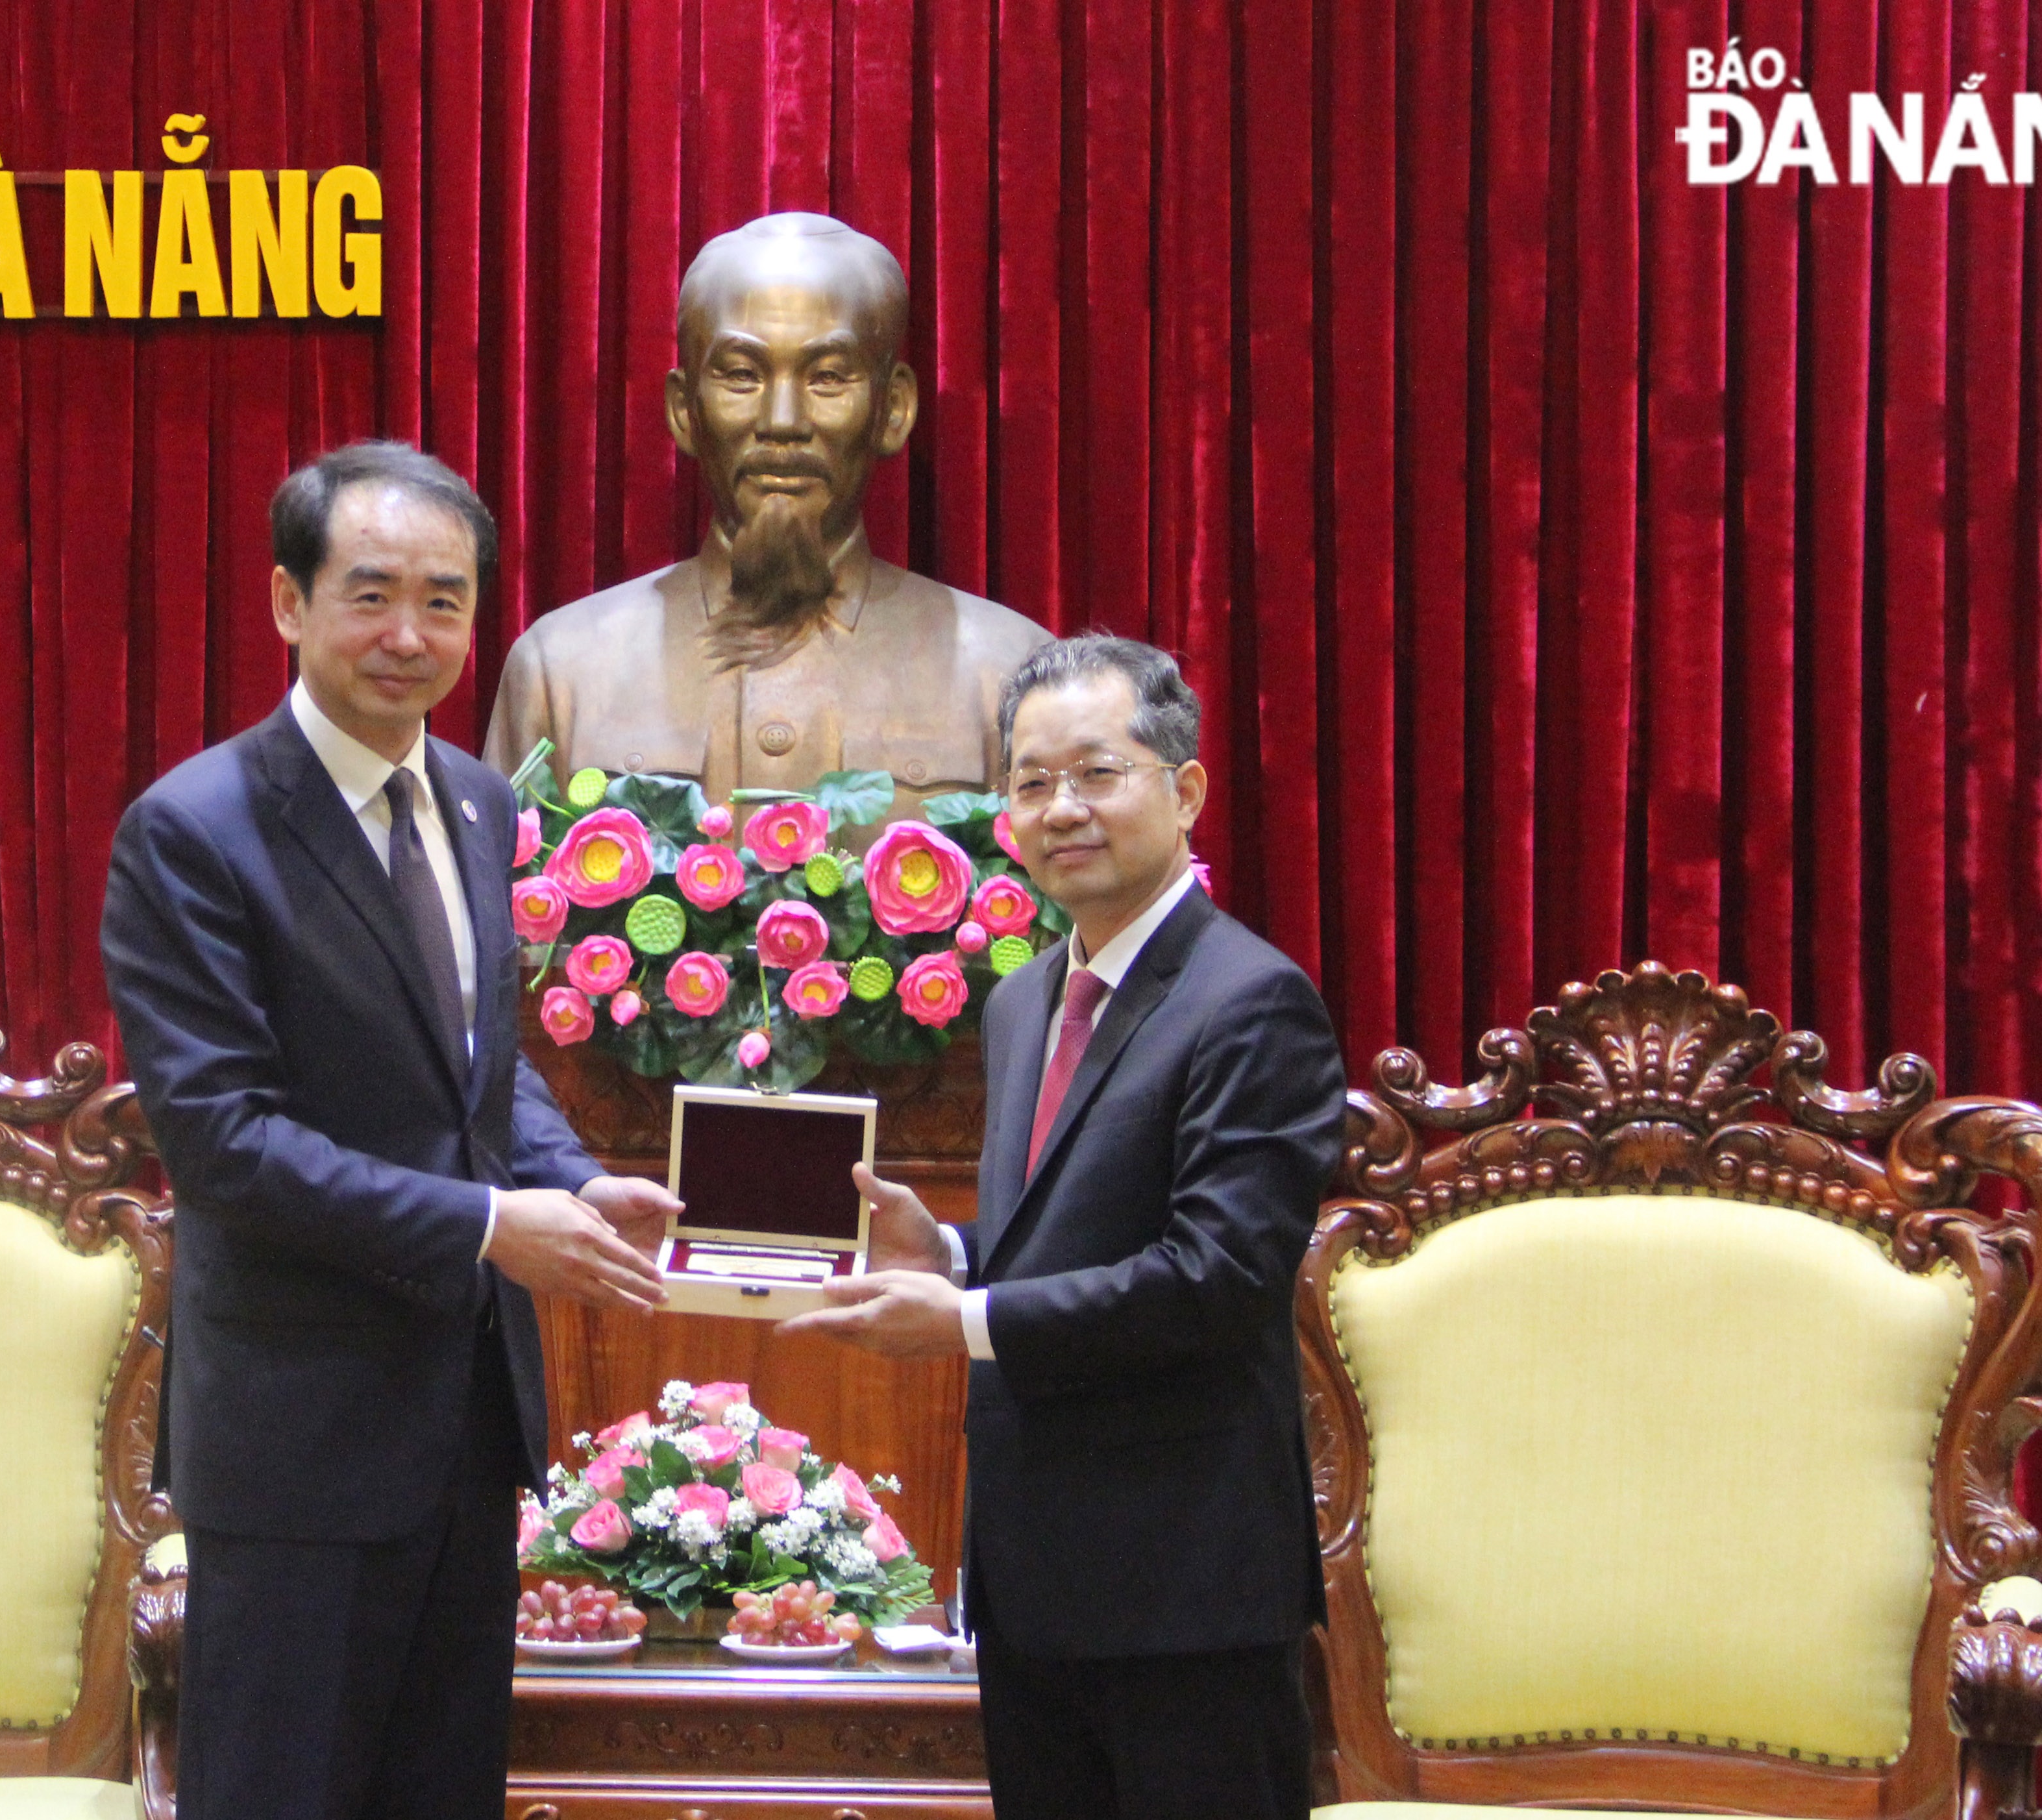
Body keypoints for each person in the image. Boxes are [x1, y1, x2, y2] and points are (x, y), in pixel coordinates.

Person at [101, 441, 680, 1820]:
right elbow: (224, 1141)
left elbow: (478, 1072)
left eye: (444, 599)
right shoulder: (195, 829)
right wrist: (491, 1222)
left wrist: (579, 1181)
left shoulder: (480, 803)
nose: (409, 637)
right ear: (288, 604)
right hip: (298, 1440)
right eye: (370, 596)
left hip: (466, 1418)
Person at [780, 635, 1346, 1820]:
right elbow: (1070, 1230)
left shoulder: (1253, 999)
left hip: (1188, 1586)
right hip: (1035, 1578)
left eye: (1097, 773)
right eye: (1030, 782)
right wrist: (945, 1251)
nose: (1060, 808)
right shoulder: (1025, 993)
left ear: (1185, 790)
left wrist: (965, 1318)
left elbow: (1216, 1276)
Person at [483, 212, 1047, 833]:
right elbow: (512, 916)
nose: (783, 420)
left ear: (894, 409)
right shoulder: (562, 671)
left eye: (829, 377)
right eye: (742, 375)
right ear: (684, 410)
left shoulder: (1007, 670)